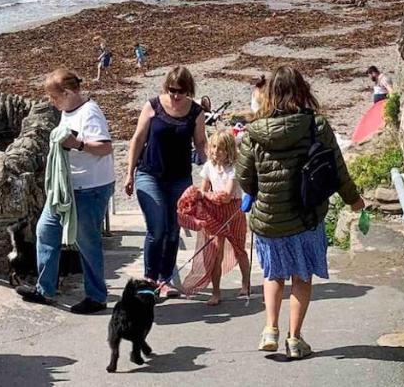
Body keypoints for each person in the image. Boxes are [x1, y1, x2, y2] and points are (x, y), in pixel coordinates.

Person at [235, 66, 363, 360]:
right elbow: (338, 169)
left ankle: (270, 329)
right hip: (306, 215)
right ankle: (294, 338)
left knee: (273, 274)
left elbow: (244, 177)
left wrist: (259, 191)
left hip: (269, 218)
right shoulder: (315, 125)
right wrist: (354, 200)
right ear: (302, 90)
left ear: (269, 95)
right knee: (301, 277)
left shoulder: (254, 131)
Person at [17, 69, 115, 314]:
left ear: (69, 93)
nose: (52, 102)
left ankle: (96, 296)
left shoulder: (90, 113)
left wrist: (77, 144)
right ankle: (45, 289)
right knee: (46, 230)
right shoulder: (67, 111)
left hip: (90, 188)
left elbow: (105, 148)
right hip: (66, 189)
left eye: (54, 97)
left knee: (87, 242)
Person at [125, 66, 207, 298]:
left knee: (173, 230)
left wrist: (212, 169)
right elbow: (138, 138)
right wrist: (129, 173)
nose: (176, 95)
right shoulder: (153, 106)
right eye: (172, 90)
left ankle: (165, 279)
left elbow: (200, 144)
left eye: (181, 91)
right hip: (149, 173)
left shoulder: (196, 112)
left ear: (188, 90)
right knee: (157, 227)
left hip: (179, 177)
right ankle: (149, 279)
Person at [196, 129, 251, 305]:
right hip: (214, 212)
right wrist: (204, 196)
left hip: (234, 211)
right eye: (213, 147)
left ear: (229, 151)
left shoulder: (234, 169)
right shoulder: (208, 167)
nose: (216, 151)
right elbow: (202, 189)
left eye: (220, 148)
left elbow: (227, 195)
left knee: (239, 249)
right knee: (215, 253)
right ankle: (216, 291)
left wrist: (205, 195)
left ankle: (246, 283)